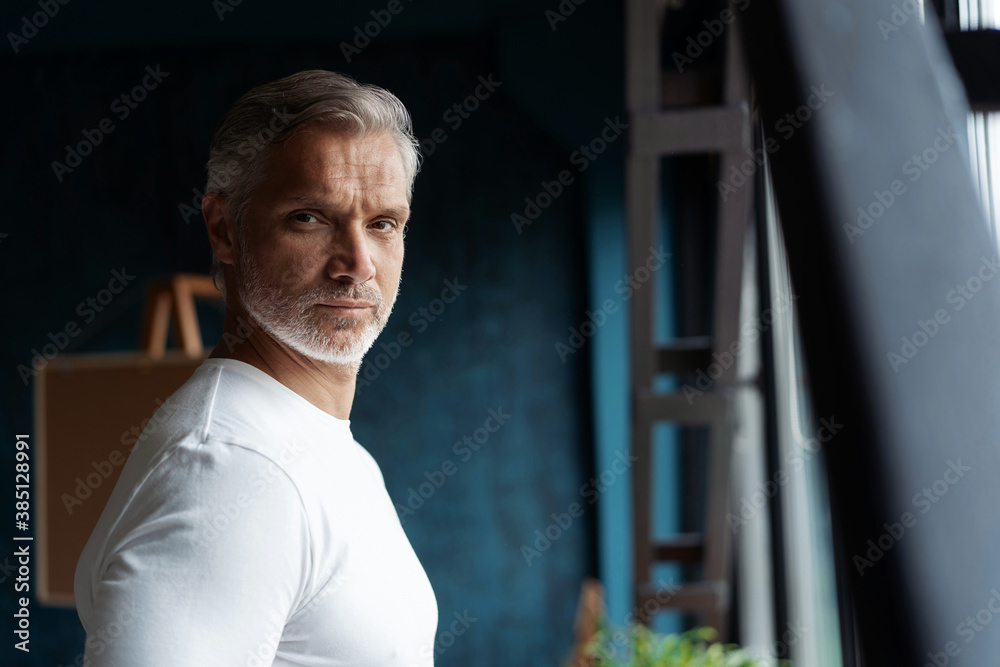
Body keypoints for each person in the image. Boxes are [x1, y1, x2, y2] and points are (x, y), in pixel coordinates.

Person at [74, 70, 438, 666]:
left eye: (382, 224)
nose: (357, 264)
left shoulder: (311, 445)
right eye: (309, 218)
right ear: (224, 229)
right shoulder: (231, 467)